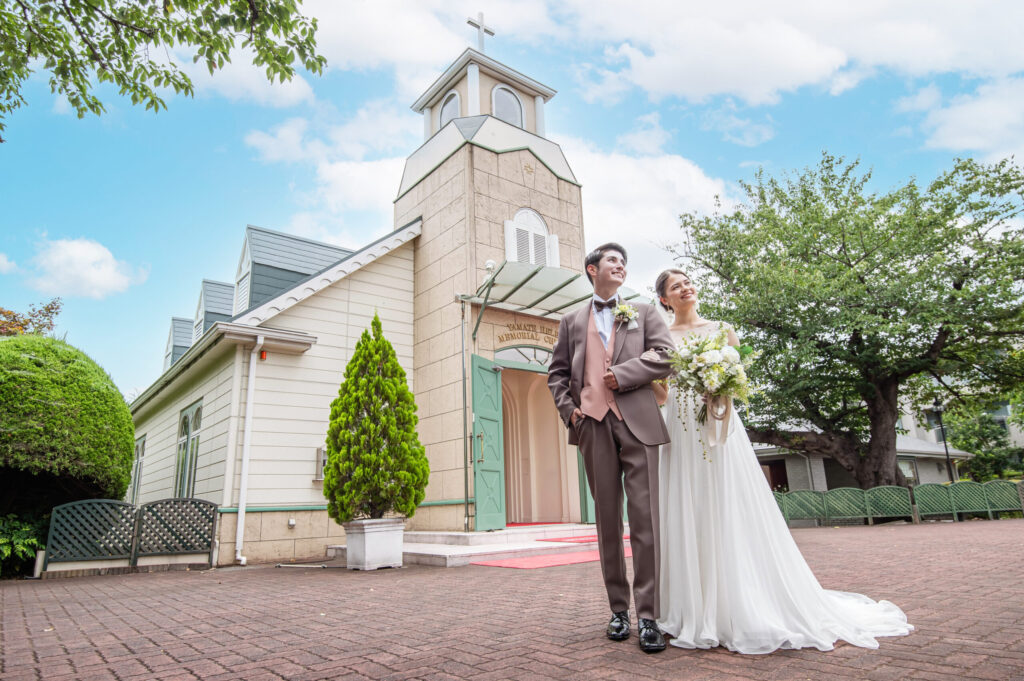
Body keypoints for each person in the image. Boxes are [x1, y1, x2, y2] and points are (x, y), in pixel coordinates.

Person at [652, 268, 914, 654]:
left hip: (720, 425)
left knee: (727, 503)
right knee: (686, 504)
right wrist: (660, 389)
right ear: (664, 299)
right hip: (680, 426)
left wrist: (717, 389)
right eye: (676, 286)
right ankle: (690, 604)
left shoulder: (722, 329)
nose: (685, 288)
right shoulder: (661, 336)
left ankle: (740, 601)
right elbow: (660, 392)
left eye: (687, 282)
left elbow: (739, 378)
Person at [547, 243, 675, 653]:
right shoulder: (570, 321)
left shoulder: (644, 312)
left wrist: (624, 373)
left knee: (645, 520)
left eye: (624, 262)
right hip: (592, 425)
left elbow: (666, 356)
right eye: (612, 261)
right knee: (606, 521)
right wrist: (571, 413)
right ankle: (618, 611)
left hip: (638, 423)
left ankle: (649, 615)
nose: (620, 266)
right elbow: (557, 374)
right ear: (592, 269)